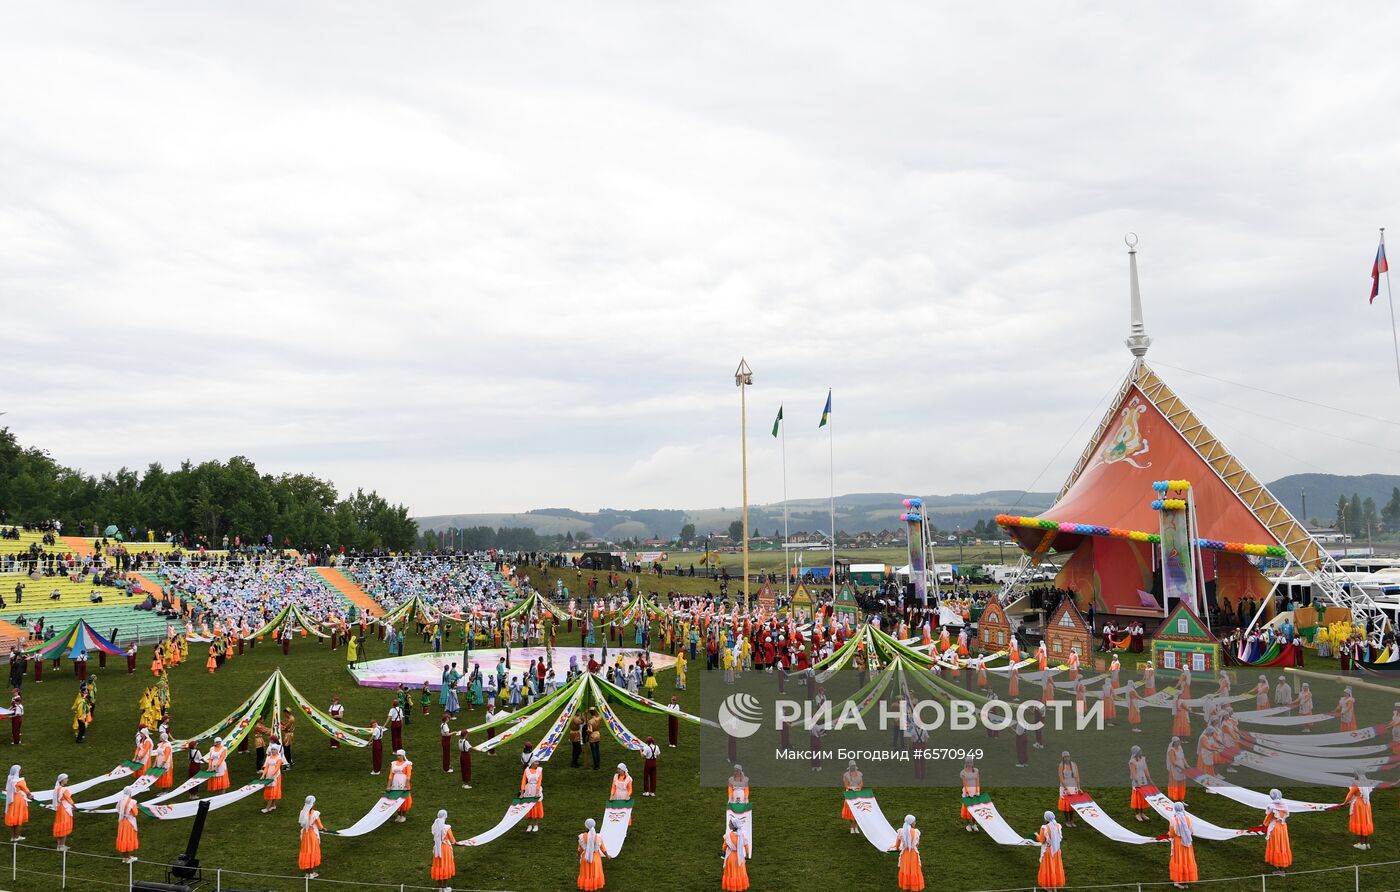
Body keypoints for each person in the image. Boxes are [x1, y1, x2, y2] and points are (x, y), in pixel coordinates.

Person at [1168, 801, 1197, 888]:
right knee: (1186, 860)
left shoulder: (1173, 819)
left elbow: (1172, 834)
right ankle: (1184, 881)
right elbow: (1191, 831)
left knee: (1179, 860)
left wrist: (1168, 834)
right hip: (1187, 842)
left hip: (1178, 843)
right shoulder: (1187, 818)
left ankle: (1178, 881)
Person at [1264, 789, 1292, 874]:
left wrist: (1264, 825)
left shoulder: (1272, 806)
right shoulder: (1284, 805)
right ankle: (1281, 866)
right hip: (1283, 827)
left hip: (1275, 828)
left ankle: (1279, 869)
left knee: (1276, 845)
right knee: (1282, 845)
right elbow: (1285, 816)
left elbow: (1268, 818)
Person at [1036, 811, 1065, 890]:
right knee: (1055, 867)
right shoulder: (1058, 826)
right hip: (1057, 851)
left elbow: (1042, 840)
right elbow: (1059, 838)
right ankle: (1054, 887)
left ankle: (1048, 887)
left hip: (1048, 851)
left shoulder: (1044, 828)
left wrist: (1037, 836)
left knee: (1048, 868)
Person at [1344, 772, 1373, 850]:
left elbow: (1349, 795)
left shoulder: (1356, 784)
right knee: (1366, 822)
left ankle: (1362, 844)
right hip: (1366, 804)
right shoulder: (1365, 783)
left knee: (1361, 822)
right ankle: (1366, 843)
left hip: (1359, 805)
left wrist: (1344, 803)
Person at [578, 817, 607, 891]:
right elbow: (603, 848)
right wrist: (607, 855)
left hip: (585, 858)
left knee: (586, 874)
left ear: (586, 826)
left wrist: (578, 855)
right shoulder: (598, 837)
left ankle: (587, 886)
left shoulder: (582, 837)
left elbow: (580, 849)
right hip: (596, 858)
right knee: (595, 874)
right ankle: (594, 886)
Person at [896, 814, 924, 891]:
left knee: (905, 869)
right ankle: (914, 886)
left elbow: (897, 845)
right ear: (911, 823)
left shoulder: (901, 831)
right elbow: (917, 844)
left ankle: (906, 885)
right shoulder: (916, 832)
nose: (915, 823)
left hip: (905, 853)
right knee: (914, 869)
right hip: (914, 853)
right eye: (914, 821)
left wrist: (898, 848)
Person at [721, 818, 750, 891]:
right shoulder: (743, 835)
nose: (729, 825)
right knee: (740, 872)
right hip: (740, 857)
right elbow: (746, 846)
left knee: (731, 873)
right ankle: (739, 886)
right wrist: (746, 855)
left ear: (734, 826)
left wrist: (724, 852)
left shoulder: (727, 836)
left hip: (730, 857)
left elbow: (724, 847)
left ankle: (732, 887)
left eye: (730, 824)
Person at [298, 795, 323, 879]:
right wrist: (323, 828)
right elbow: (320, 826)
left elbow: (301, 823)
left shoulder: (302, 812)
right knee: (312, 852)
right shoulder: (315, 814)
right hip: (312, 835)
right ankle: (312, 873)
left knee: (306, 852)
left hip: (305, 835)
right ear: (313, 804)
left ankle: (307, 873)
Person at [430, 809, 456, 891]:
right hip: (445, 849)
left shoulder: (435, 826)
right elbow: (452, 840)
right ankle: (445, 887)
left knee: (438, 865)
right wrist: (455, 842)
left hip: (437, 848)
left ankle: (440, 887)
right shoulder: (447, 828)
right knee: (445, 865)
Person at [260, 742, 286, 813]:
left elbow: (277, 767)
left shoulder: (279, 758)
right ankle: (273, 805)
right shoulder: (268, 758)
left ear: (277, 750)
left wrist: (272, 775)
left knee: (273, 791)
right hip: (269, 775)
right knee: (269, 789)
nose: (272, 751)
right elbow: (266, 767)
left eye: (274, 749)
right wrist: (263, 775)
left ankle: (267, 808)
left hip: (276, 776)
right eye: (272, 749)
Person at [116, 785, 139, 863]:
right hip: (129, 823)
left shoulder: (120, 800)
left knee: (123, 838)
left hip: (122, 822)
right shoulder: (132, 802)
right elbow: (135, 813)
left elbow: (118, 809)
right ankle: (128, 857)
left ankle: (125, 857)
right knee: (128, 838)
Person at [4, 765, 28, 842]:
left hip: (11, 801)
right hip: (19, 801)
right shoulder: (19, 781)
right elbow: (26, 791)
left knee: (13, 819)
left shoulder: (10, 779)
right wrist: (30, 795)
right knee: (18, 819)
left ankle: (13, 837)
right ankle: (17, 836)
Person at [1056, 752, 1080, 827]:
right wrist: (1066, 789)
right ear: (1063, 758)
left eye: (1068, 756)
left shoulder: (1074, 765)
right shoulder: (1061, 766)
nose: (1067, 758)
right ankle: (1067, 821)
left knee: (1072, 805)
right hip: (1065, 787)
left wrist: (1079, 787)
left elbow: (1077, 776)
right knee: (1066, 805)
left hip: (1073, 786)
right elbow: (1061, 778)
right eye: (1065, 757)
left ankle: (1072, 820)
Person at [389, 750, 414, 822]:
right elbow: (391, 775)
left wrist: (406, 786)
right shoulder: (394, 763)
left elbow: (408, 776)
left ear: (403, 756)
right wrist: (389, 785)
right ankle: (399, 814)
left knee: (404, 799)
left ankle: (404, 815)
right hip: (395, 783)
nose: (398, 756)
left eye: (399, 755)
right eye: (397, 755)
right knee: (396, 798)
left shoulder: (407, 764)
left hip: (403, 782)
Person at [1128, 746, 1152, 821]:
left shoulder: (1143, 759)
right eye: (1139, 751)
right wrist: (1137, 782)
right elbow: (1134, 772)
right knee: (1137, 798)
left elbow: (1146, 769)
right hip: (1137, 781)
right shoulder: (1132, 762)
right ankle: (1137, 814)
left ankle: (1142, 813)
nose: (1140, 752)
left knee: (1142, 798)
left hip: (1143, 779)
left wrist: (1149, 779)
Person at [51, 773, 73, 851]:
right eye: (66, 779)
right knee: (64, 826)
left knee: (60, 826)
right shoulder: (64, 790)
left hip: (60, 809)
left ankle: (59, 845)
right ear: (62, 780)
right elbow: (69, 799)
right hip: (64, 809)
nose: (67, 780)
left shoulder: (56, 788)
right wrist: (74, 806)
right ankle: (62, 845)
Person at [841, 759, 863, 834]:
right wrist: (852, 788)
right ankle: (851, 827)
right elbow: (846, 785)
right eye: (852, 766)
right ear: (850, 767)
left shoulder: (859, 774)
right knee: (849, 812)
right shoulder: (846, 775)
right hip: (850, 793)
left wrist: (858, 788)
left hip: (857, 794)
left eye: (854, 766)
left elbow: (861, 784)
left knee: (857, 811)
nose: (853, 768)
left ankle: (856, 827)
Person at [521, 761, 544, 832]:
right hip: (528, 790)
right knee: (529, 807)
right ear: (531, 763)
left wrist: (537, 792)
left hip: (536, 790)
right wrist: (522, 792)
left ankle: (536, 825)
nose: (537, 763)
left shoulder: (539, 770)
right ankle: (530, 825)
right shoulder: (527, 770)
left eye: (538, 762)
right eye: (535, 762)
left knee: (537, 807)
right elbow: (523, 781)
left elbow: (539, 781)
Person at [958, 756, 980, 832]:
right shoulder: (963, 772)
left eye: (970, 762)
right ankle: (968, 825)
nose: (969, 764)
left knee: (975, 809)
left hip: (975, 792)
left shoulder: (976, 771)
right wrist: (967, 792)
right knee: (967, 809)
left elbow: (977, 781)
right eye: (968, 762)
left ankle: (974, 824)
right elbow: (965, 783)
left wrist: (978, 791)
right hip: (967, 792)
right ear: (966, 763)